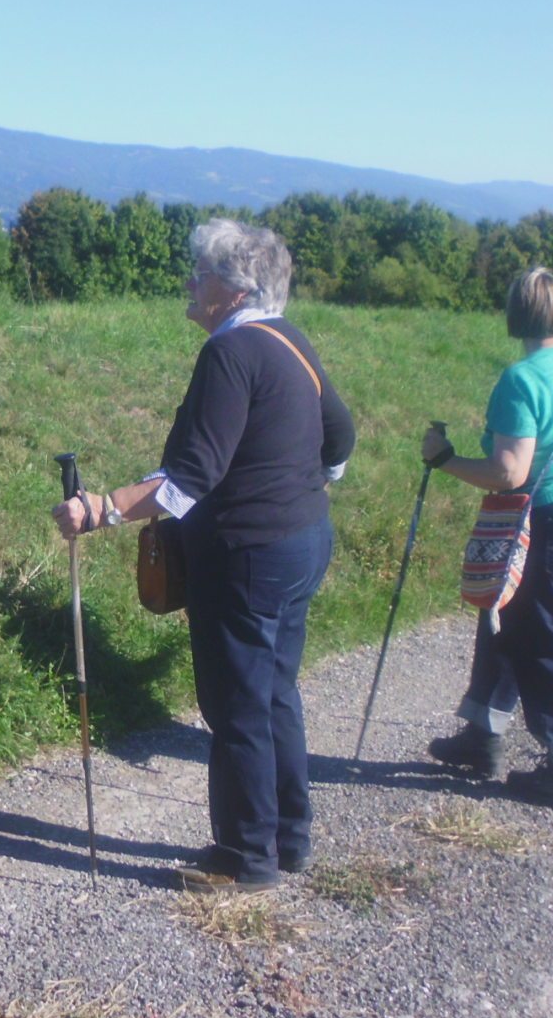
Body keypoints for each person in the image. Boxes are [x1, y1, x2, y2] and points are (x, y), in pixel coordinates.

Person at [50, 219, 354, 892]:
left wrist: (100, 509)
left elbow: (191, 479)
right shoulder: (289, 340)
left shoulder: (230, 354)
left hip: (245, 553)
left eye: (200, 272)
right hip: (303, 540)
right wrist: (300, 483)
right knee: (274, 691)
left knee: (237, 703)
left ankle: (245, 858)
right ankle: (288, 839)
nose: (190, 282)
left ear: (233, 288)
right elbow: (340, 437)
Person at [424, 268, 553, 813]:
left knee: (547, 634)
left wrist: (444, 461)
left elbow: (509, 473)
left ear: (515, 313)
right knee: (509, 611)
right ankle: (482, 733)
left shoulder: (521, 379)